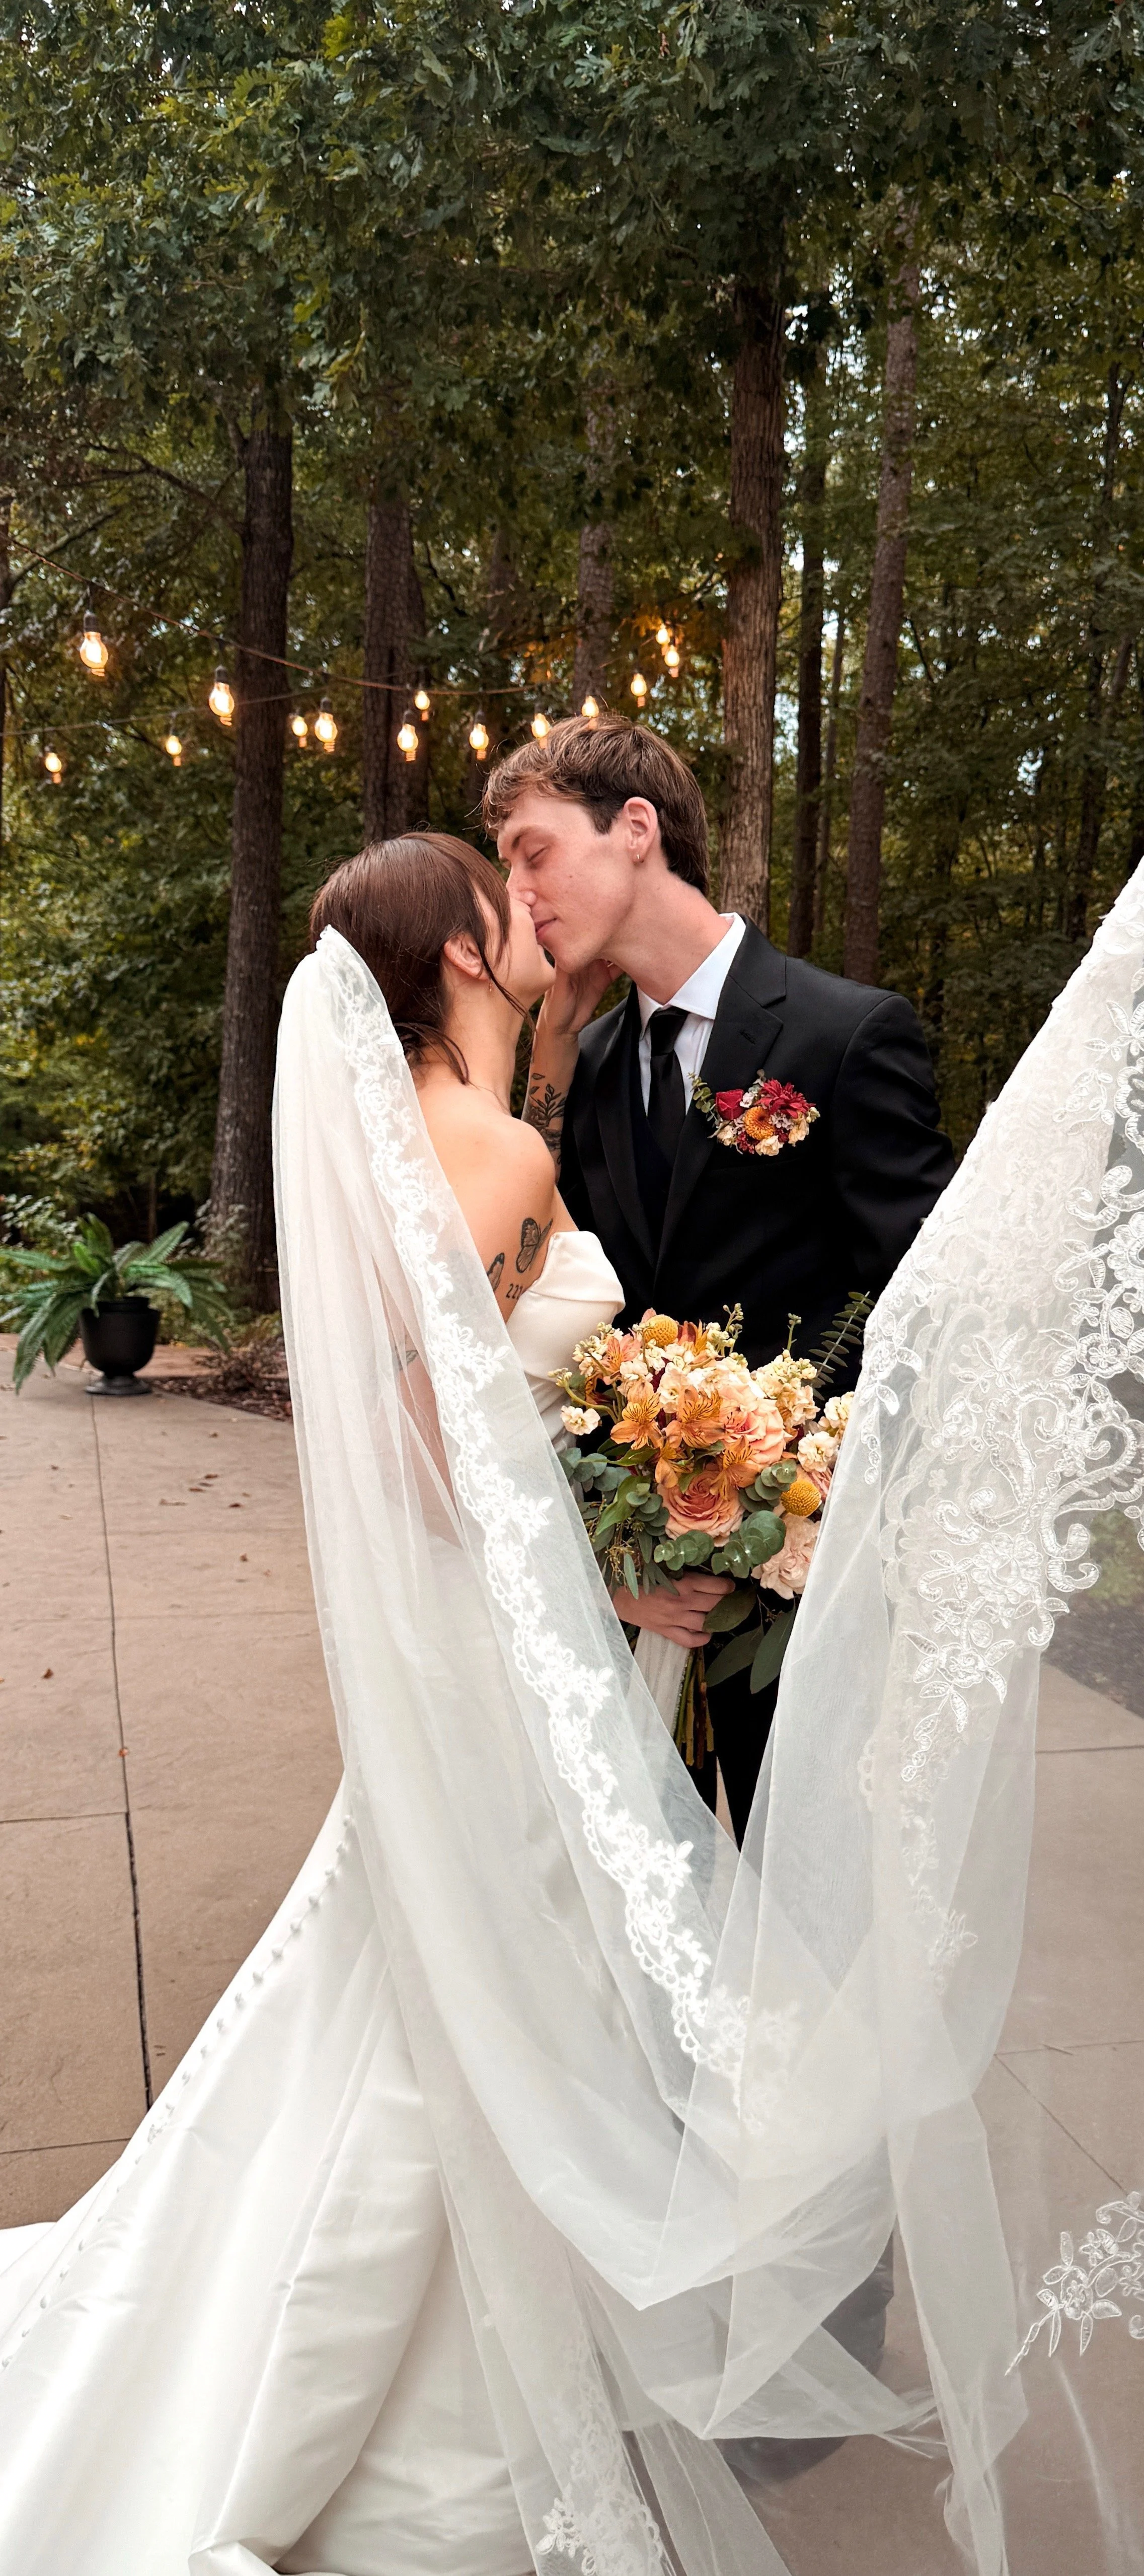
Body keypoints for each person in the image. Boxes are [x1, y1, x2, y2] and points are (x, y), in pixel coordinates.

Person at [0, 825, 1139, 2576]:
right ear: (454, 949)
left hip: (512, 1638)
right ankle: (426, 2374)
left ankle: (459, 2339)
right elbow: (420, 1414)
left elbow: (490, 1396)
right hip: (524, 1643)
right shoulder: (500, 1140)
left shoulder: (466, 1130)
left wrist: (678, 1474)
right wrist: (611, 1571)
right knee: (471, 1986)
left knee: (448, 1973)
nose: (524, 911)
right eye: (497, 889)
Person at [485, 716, 955, 1840]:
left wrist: (816, 1523)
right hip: (640, 1598)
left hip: (806, 1601)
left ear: (634, 829)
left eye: (531, 850)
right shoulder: (589, 1060)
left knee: (810, 1935)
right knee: (655, 1930)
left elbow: (921, 1307)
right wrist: (616, 1546)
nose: (517, 889)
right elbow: (561, 1316)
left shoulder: (846, 1035)